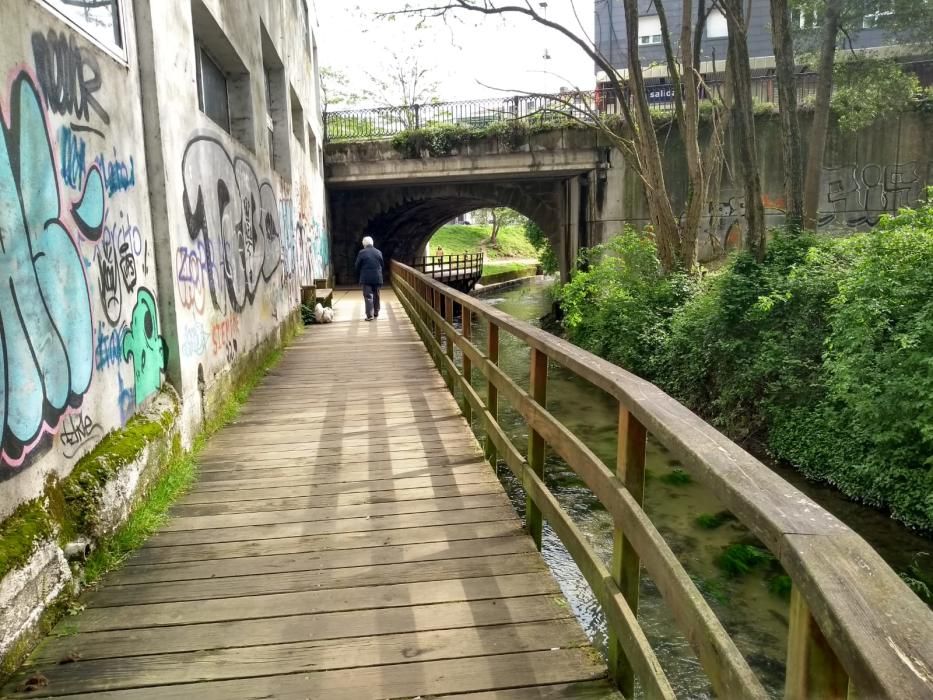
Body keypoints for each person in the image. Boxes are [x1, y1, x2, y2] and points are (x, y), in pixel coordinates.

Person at [355, 235, 384, 321]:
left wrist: (361, 271)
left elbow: (357, 265)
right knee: (376, 294)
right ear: (372, 243)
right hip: (377, 277)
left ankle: (370, 315)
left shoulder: (362, 253)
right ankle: (376, 312)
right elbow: (382, 264)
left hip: (366, 277)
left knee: (368, 296)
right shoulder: (378, 252)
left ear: (364, 244)